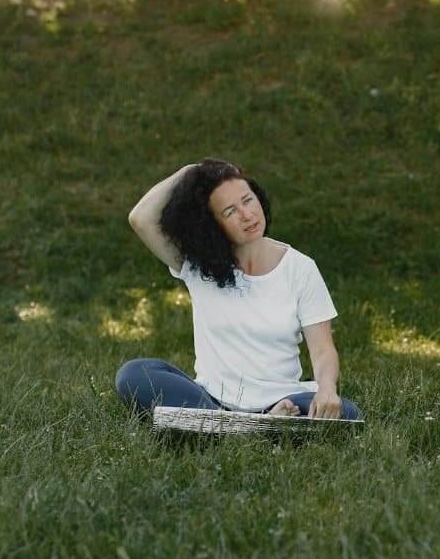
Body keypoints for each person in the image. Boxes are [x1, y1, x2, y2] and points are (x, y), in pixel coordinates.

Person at [115, 158, 361, 420]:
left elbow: (323, 350)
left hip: (284, 398)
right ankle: (247, 423)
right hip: (211, 398)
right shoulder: (198, 267)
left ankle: (227, 425)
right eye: (230, 212)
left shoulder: (300, 268)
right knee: (133, 374)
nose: (247, 215)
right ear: (213, 225)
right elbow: (140, 218)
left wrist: (326, 390)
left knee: (346, 413)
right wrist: (193, 171)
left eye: (247, 200)